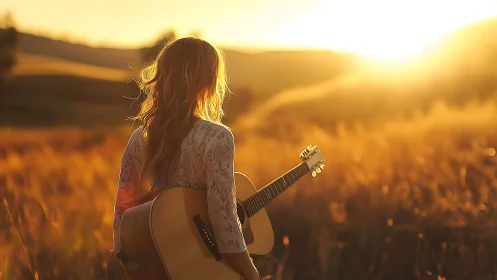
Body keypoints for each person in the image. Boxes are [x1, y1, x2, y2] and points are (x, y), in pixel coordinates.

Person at [111, 37, 259, 280]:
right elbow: (223, 220)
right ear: (210, 83)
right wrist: (250, 273)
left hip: (155, 267)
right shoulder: (218, 137)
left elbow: (122, 214)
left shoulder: (139, 138)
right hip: (204, 268)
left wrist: (139, 267)